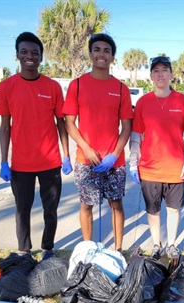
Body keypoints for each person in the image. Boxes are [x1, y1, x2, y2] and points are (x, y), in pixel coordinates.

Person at [0, 31, 72, 260]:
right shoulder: (6, 87)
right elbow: (5, 127)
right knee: (22, 210)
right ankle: (24, 251)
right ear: (17, 55)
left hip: (50, 162)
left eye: (35, 53)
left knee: (51, 210)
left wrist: (66, 155)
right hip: (20, 164)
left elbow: (61, 123)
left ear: (41, 57)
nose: (30, 56)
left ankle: (48, 249)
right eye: (25, 52)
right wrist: (3, 161)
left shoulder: (53, 87)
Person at [63, 33, 133, 252]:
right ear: (91, 54)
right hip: (86, 159)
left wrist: (114, 155)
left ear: (112, 57)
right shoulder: (77, 85)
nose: (101, 54)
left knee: (116, 205)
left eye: (106, 50)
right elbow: (69, 123)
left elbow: (127, 127)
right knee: (86, 205)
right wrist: (86, 148)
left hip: (115, 161)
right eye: (97, 49)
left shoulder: (121, 89)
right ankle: (87, 249)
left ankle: (118, 249)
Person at [129, 56, 184, 259]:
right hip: (149, 169)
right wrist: (133, 163)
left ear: (171, 74)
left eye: (164, 70)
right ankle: (157, 245)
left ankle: (172, 245)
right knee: (153, 210)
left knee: (174, 210)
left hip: (175, 169)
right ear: (151, 75)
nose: (160, 74)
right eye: (156, 70)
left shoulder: (182, 101)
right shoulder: (143, 102)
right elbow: (136, 137)